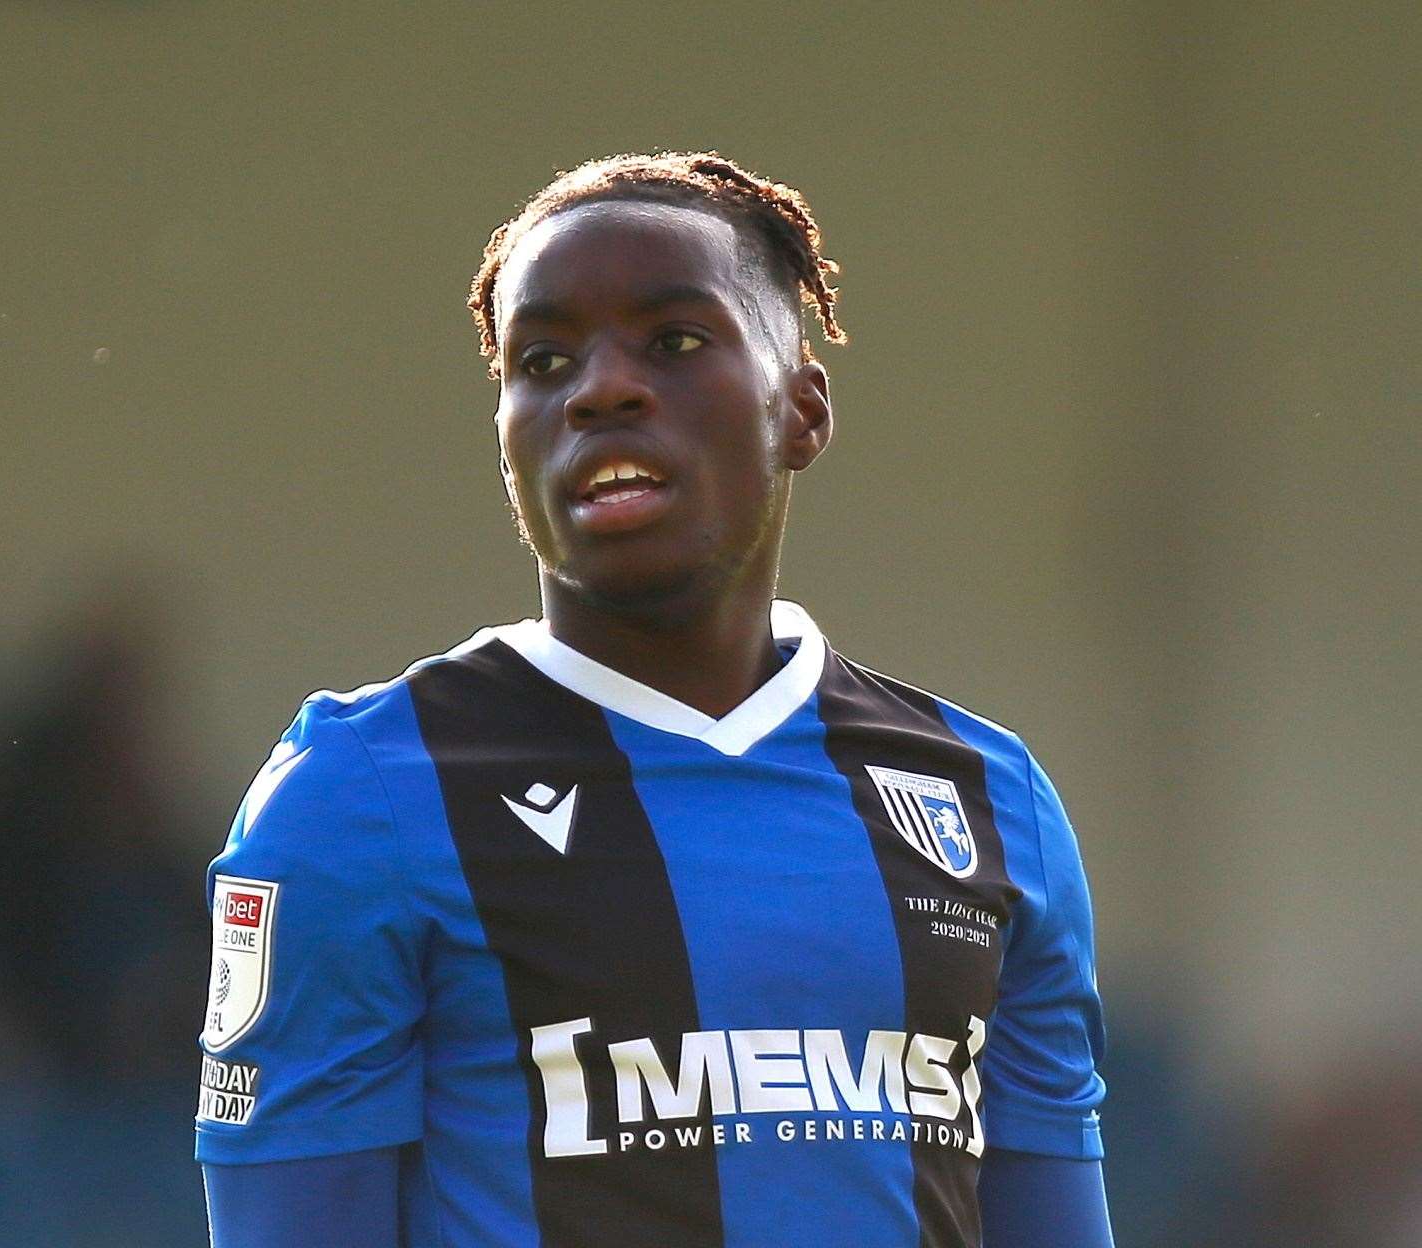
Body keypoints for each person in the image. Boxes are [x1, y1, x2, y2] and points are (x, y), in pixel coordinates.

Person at [196, 151, 1112, 1247]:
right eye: (542, 360)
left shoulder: (984, 797)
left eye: (675, 342)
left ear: (800, 412)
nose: (599, 388)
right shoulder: (361, 797)